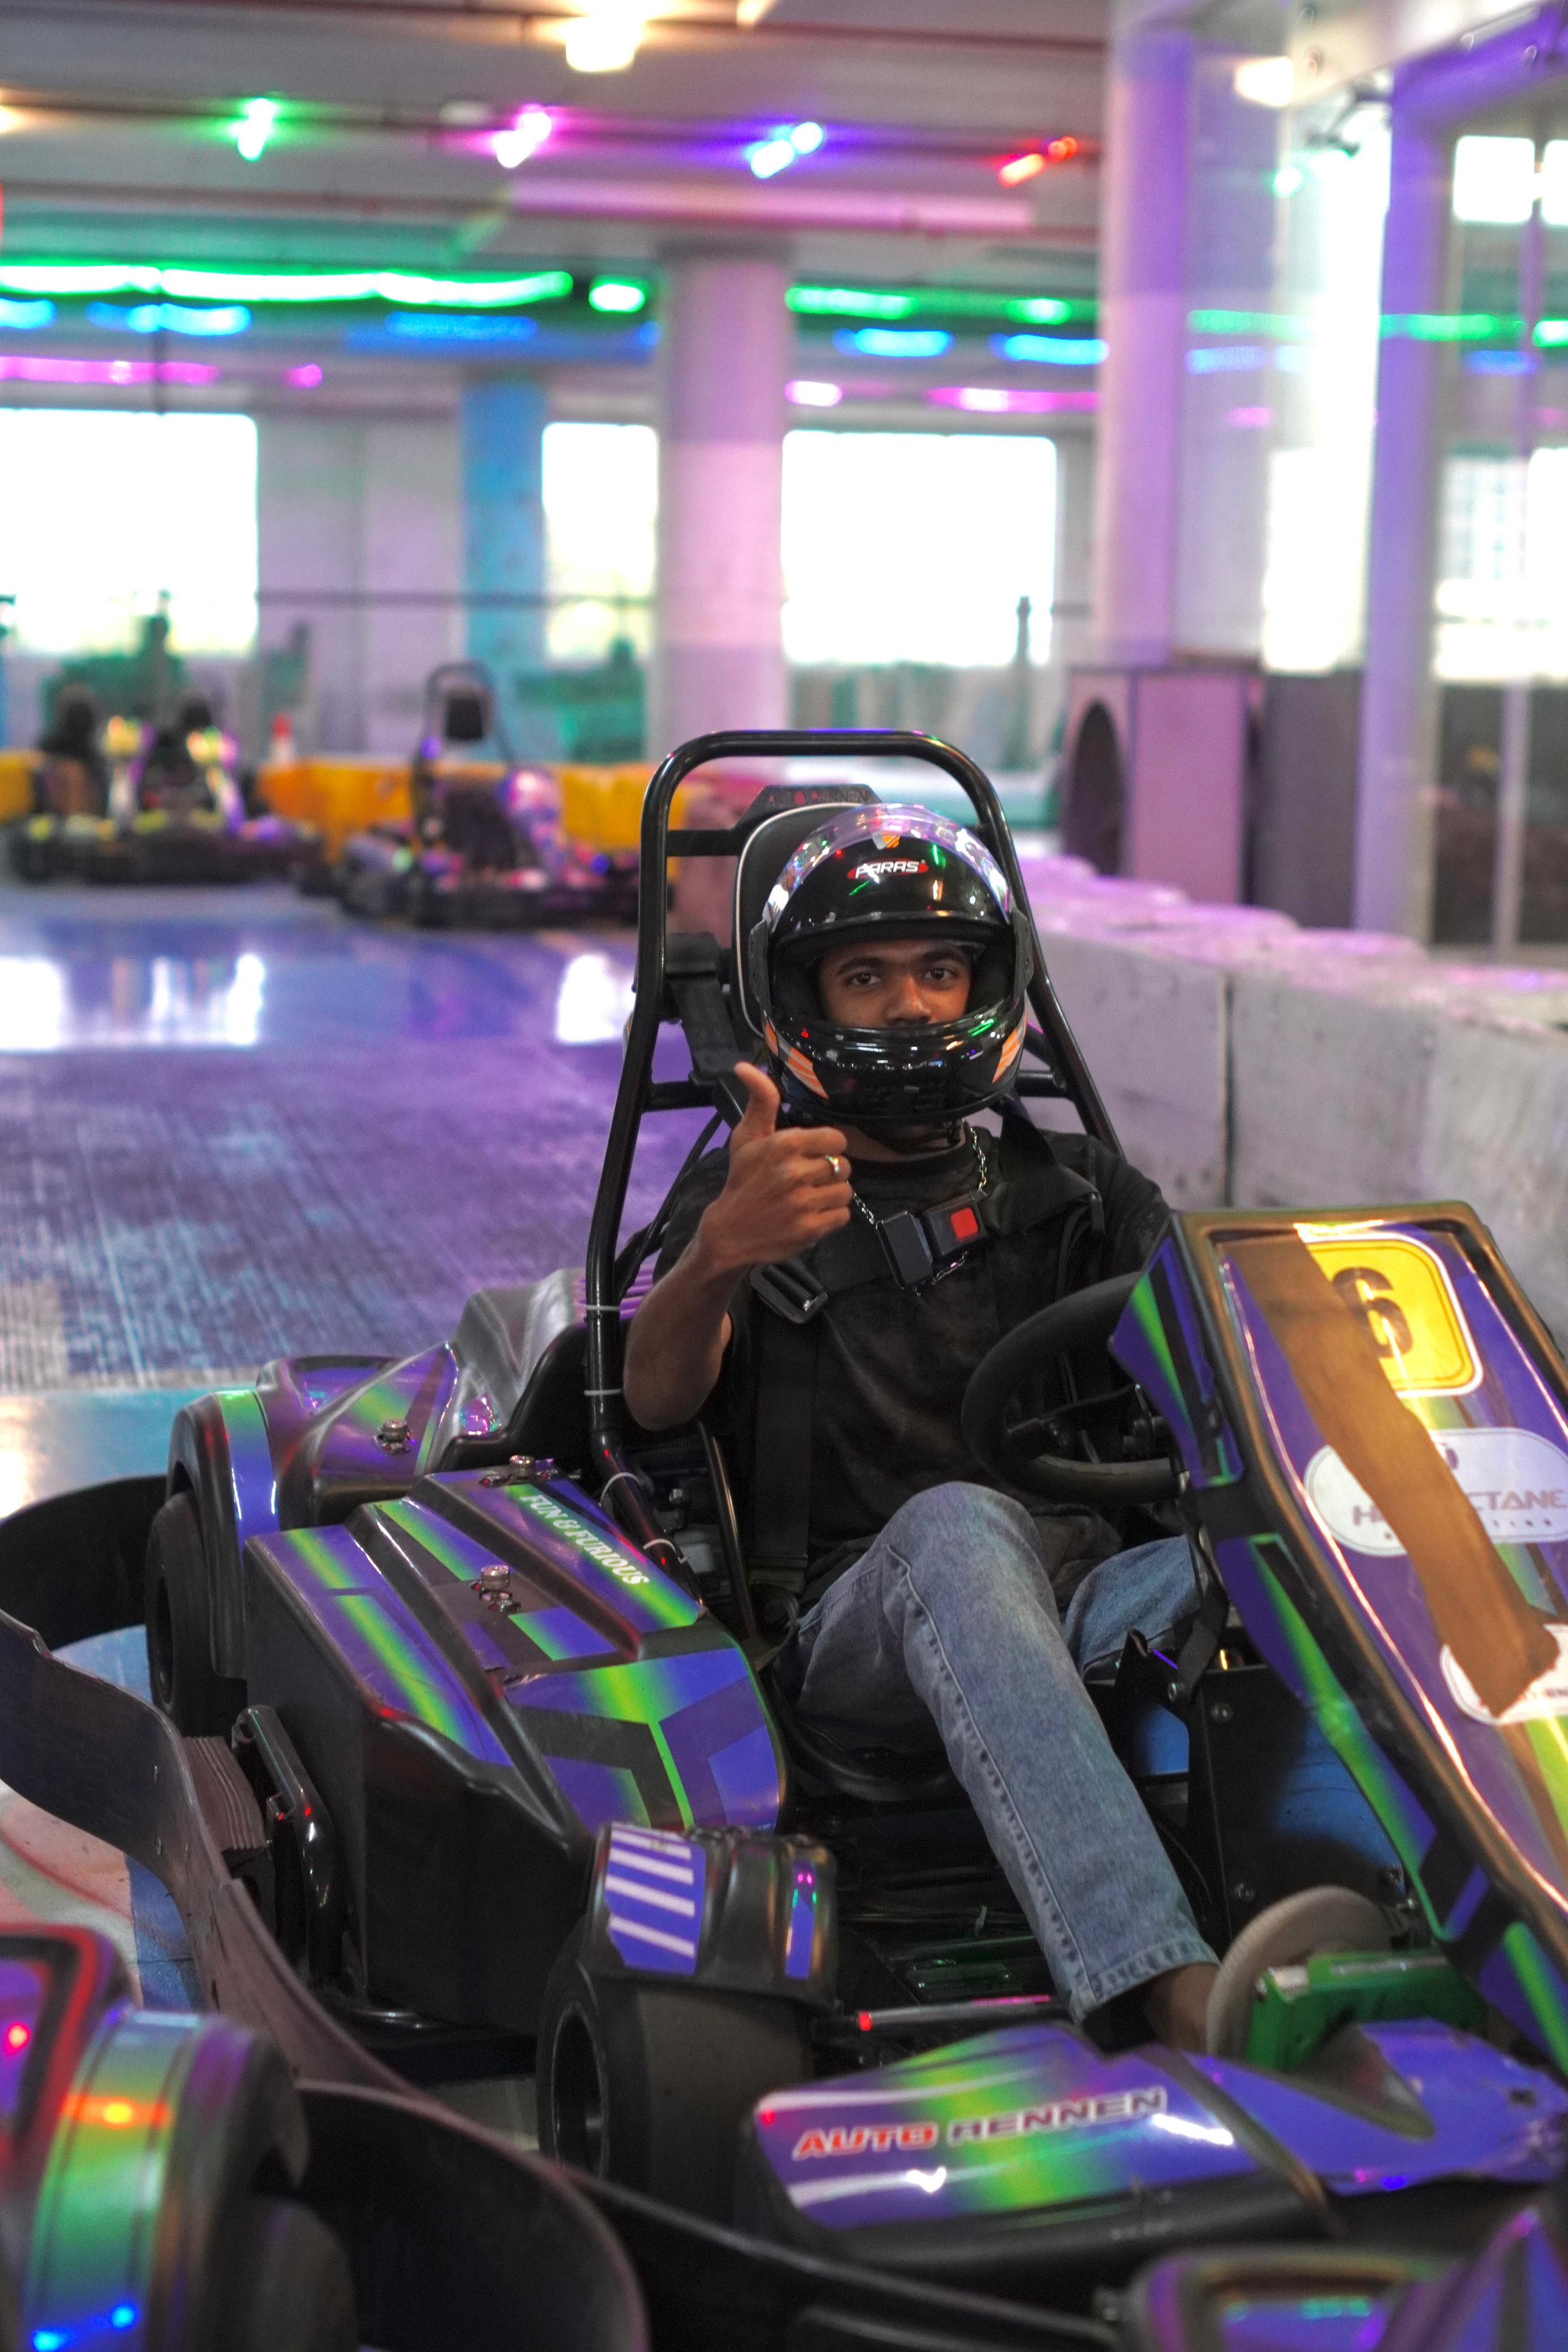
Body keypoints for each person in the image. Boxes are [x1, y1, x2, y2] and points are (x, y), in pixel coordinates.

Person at [623, 802, 1219, 2049]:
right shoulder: (756, 1193)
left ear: (985, 989)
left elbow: (1222, 1351)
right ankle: (1166, 1987)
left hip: (1082, 1594)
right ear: (805, 1001)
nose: (910, 1007)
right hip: (849, 1637)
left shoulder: (1075, 1188)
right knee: (959, 1527)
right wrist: (718, 1258)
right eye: (868, 976)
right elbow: (653, 1397)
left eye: (939, 971)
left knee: (1303, 1555)